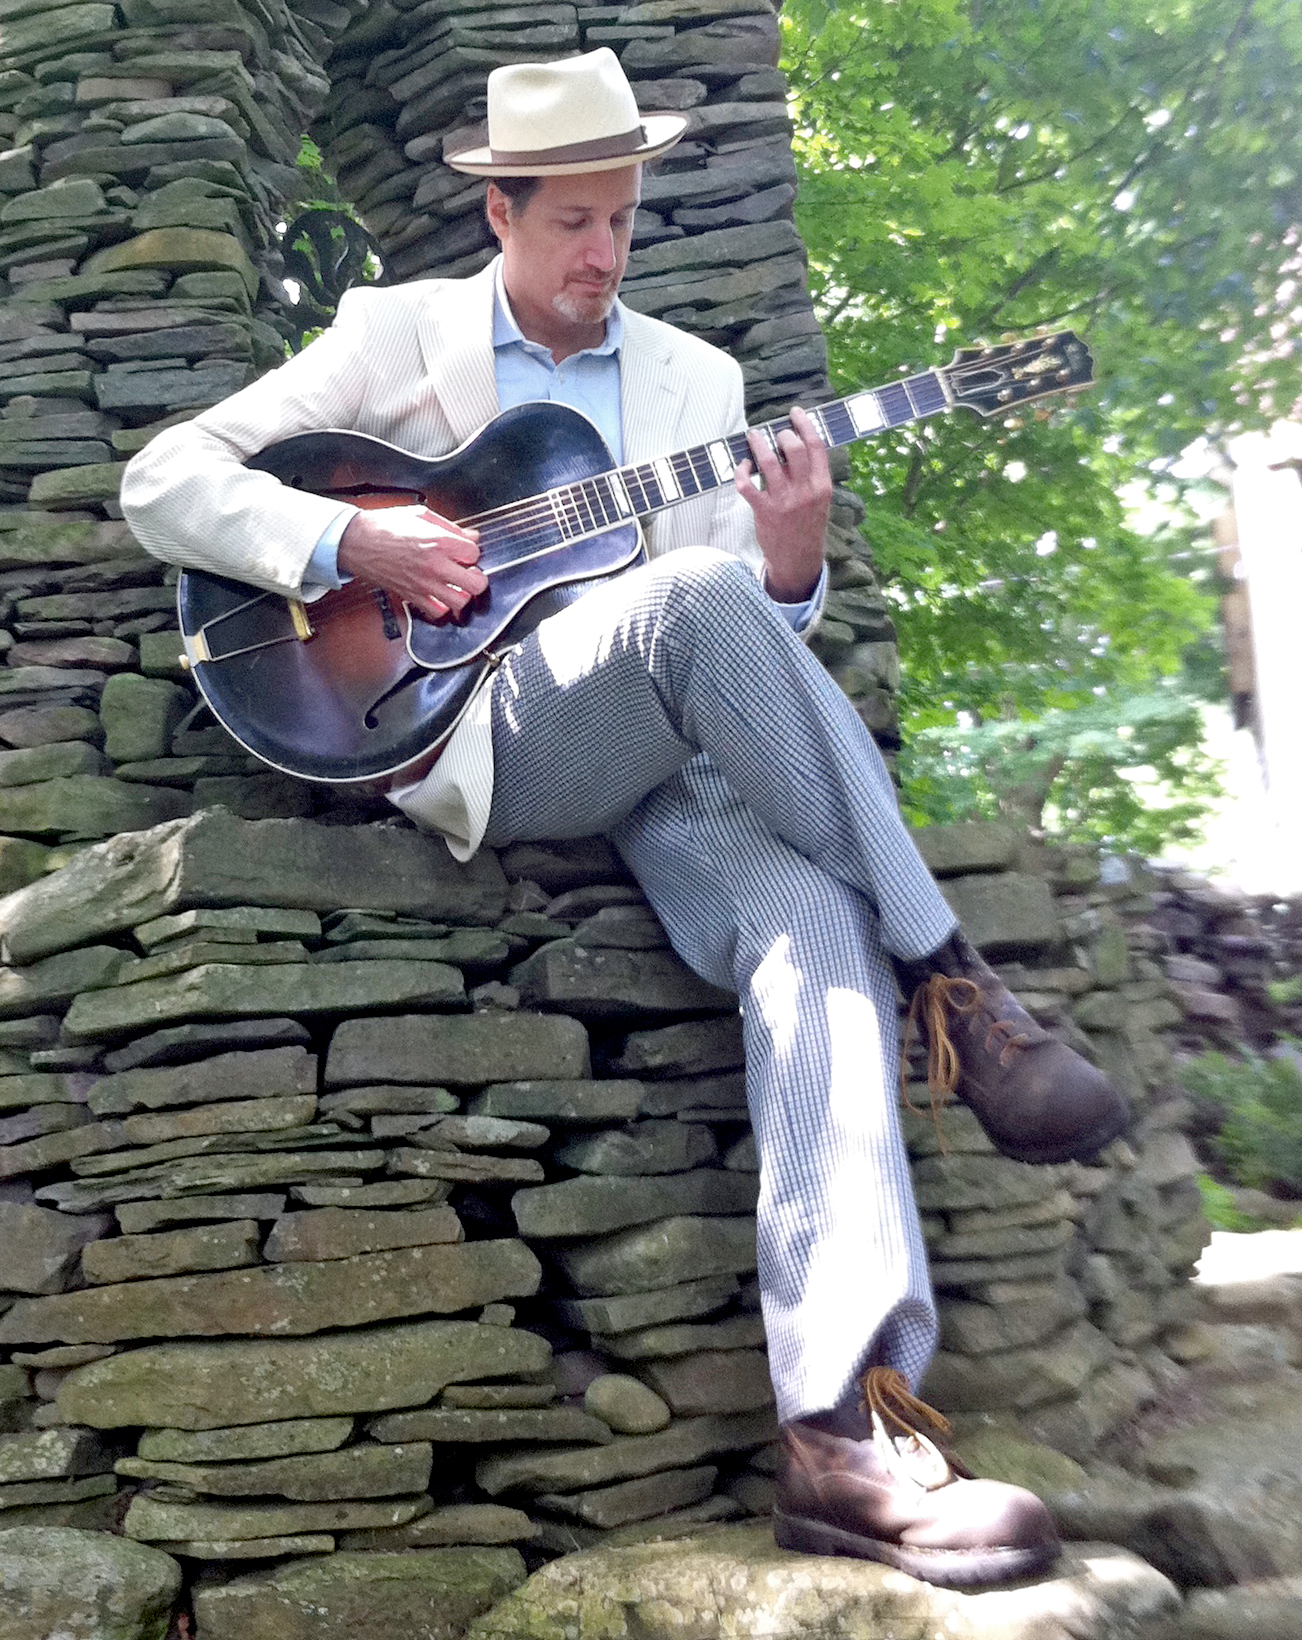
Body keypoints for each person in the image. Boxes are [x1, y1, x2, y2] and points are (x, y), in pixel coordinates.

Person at [121, 48, 1127, 1589]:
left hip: (680, 773)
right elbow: (163, 479)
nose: (601, 254)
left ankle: (841, 1437)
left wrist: (791, 566)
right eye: (571, 221)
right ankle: (964, 983)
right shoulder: (392, 335)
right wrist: (346, 539)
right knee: (702, 588)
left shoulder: (696, 388)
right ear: (501, 213)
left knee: (808, 926)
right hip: (476, 732)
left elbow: (739, 661)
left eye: (622, 222)